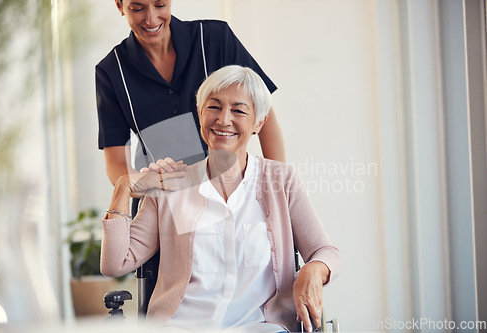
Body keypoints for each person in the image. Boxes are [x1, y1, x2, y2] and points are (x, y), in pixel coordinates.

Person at [100, 65, 340, 333]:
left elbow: (326, 252)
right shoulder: (172, 186)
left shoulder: (280, 181)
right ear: (200, 114)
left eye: (238, 110)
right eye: (213, 107)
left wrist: (312, 271)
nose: (223, 120)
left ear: (258, 123)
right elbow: (115, 263)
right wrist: (123, 187)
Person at [96, 0, 285, 187]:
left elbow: (264, 117)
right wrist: (142, 184)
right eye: (137, 8)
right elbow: (116, 163)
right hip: (163, 203)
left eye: (160, 5)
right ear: (120, 6)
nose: (151, 19)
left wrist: (276, 187)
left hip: (228, 195)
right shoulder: (112, 71)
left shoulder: (215, 38)